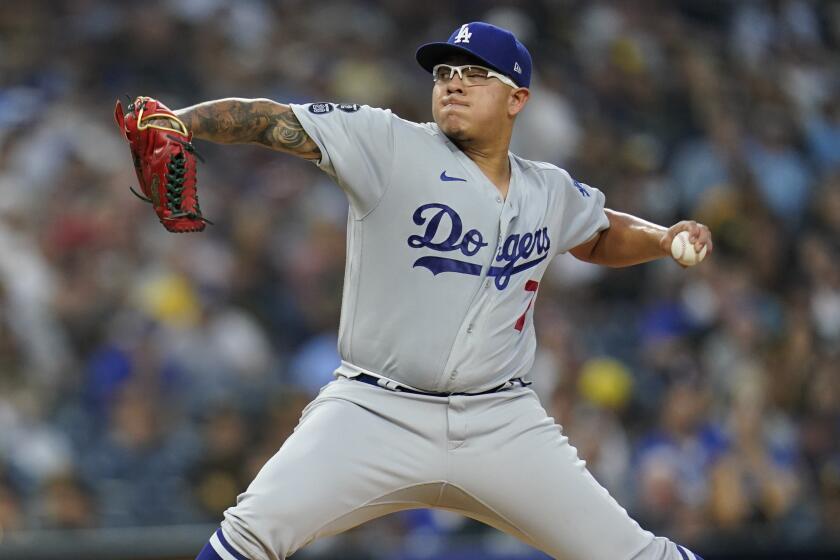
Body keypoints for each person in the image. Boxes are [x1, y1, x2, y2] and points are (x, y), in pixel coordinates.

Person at [171, 21, 711, 560]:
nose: (453, 83)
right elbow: (272, 121)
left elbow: (599, 233)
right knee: (249, 536)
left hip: (501, 422)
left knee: (641, 555)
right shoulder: (388, 144)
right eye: (445, 73)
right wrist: (182, 123)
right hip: (375, 408)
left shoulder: (546, 188)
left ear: (516, 98)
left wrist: (663, 238)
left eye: (475, 74)